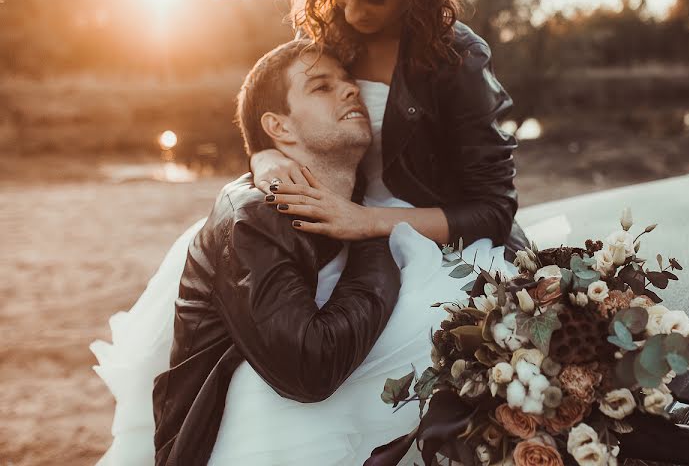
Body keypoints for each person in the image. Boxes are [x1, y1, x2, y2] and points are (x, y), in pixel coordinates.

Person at [91, 40, 509, 465]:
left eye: (348, 82)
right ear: (280, 127)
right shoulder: (253, 219)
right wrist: (369, 236)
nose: (350, 91)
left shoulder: (352, 204)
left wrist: (362, 220)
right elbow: (311, 367)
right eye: (321, 87)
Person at [249, 0, 529, 256]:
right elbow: (272, 116)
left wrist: (364, 221)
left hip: (437, 251)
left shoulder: (460, 58)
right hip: (338, 238)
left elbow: (494, 212)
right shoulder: (324, 40)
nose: (351, 13)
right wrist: (265, 158)